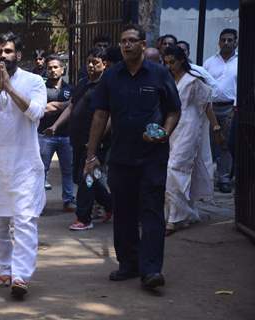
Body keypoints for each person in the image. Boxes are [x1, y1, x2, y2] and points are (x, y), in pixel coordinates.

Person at [84, 24, 181, 289]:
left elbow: (174, 110)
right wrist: (91, 154)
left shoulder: (159, 74)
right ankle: (128, 264)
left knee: (150, 211)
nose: (126, 45)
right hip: (121, 156)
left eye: (131, 41)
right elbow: (100, 115)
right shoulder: (111, 77)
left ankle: (151, 270)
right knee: (124, 212)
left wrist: (164, 132)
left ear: (142, 43)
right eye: (123, 41)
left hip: (153, 156)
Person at [0, 32, 47, 299]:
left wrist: (11, 89)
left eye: (8, 51)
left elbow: (36, 112)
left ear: (19, 55)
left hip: (25, 165)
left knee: (25, 220)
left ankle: (21, 276)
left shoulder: (34, 81)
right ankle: (5, 266)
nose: (3, 56)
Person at [46, 48, 113, 230]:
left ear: (105, 64)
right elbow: (71, 107)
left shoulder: (108, 85)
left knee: (87, 179)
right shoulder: (83, 83)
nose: (91, 65)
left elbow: (109, 117)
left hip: (94, 142)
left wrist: (97, 140)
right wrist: (55, 125)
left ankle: (84, 218)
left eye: (96, 62)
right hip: (77, 140)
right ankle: (110, 204)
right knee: (81, 177)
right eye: (89, 62)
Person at [163, 46, 214, 235]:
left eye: (172, 62)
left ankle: (175, 218)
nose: (170, 66)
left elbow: (206, 104)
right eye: (166, 63)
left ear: (181, 61)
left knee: (175, 169)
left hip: (189, 127)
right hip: (172, 127)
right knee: (174, 170)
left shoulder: (193, 81)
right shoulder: (168, 80)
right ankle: (180, 214)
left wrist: (215, 127)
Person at [37, 55, 76, 212]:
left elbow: (73, 105)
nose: (52, 70)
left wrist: (56, 104)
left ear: (62, 69)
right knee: (41, 170)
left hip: (66, 135)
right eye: (50, 67)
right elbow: (42, 108)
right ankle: (39, 201)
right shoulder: (41, 88)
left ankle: (68, 200)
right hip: (45, 136)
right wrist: (65, 105)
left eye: (55, 67)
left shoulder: (70, 88)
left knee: (67, 170)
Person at [203, 28, 238, 193]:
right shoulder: (209, 62)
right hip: (210, 108)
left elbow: (242, 86)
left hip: (231, 108)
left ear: (235, 42)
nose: (226, 43)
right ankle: (207, 180)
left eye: (230, 40)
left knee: (226, 144)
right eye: (223, 39)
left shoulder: (241, 62)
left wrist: (237, 107)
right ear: (218, 42)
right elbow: (202, 85)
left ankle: (224, 179)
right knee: (208, 144)